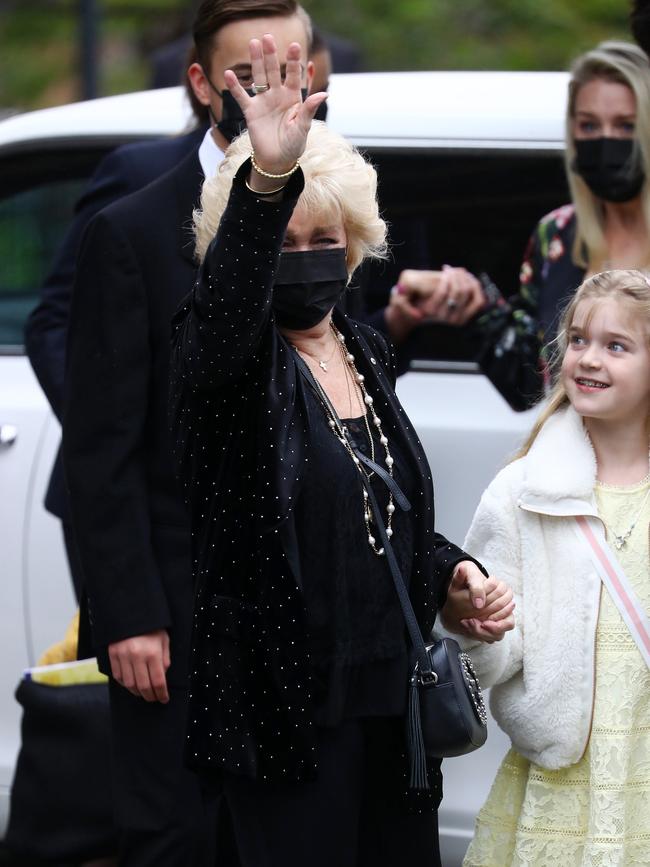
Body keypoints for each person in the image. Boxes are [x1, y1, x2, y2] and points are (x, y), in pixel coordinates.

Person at [169, 34, 515, 867]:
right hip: (285, 713)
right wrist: (267, 185)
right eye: (282, 242)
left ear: (354, 243)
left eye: (322, 238)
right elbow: (225, 324)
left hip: (392, 709)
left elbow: (373, 514)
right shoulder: (230, 363)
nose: (306, 258)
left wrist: (448, 573)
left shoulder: (365, 347)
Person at [62, 2, 315, 865]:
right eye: (250, 75)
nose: (270, 94)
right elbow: (102, 445)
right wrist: (130, 613)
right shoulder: (130, 230)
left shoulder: (335, 207)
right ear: (203, 82)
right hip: (176, 606)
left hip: (301, 605)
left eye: (290, 71)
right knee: (176, 836)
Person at [454, 269, 650, 865]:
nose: (589, 359)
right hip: (562, 783)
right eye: (579, 339)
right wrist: (475, 621)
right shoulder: (522, 490)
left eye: (616, 345)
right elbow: (492, 651)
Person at [472, 41, 650, 411]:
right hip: (573, 455)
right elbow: (530, 381)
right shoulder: (556, 234)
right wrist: (476, 307)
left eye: (625, 125)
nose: (605, 140)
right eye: (589, 124)